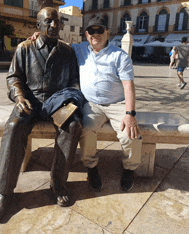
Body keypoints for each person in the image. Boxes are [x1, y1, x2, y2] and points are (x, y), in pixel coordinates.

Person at [0, 7, 84, 225]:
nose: (54, 26)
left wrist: (69, 102)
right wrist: (19, 98)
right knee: (13, 127)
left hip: (58, 102)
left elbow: (74, 82)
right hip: (30, 100)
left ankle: (57, 183)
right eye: (48, 21)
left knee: (73, 126)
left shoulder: (68, 51)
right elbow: (13, 78)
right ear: (38, 26)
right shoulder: (24, 48)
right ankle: (4, 193)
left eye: (57, 22)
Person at [30, 16, 142, 193]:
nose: (95, 34)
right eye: (91, 31)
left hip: (117, 104)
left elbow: (129, 86)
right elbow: (59, 43)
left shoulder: (120, 56)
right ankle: (91, 166)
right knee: (86, 130)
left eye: (99, 30)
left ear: (107, 32)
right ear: (86, 33)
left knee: (130, 134)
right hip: (91, 104)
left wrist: (130, 114)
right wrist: (41, 34)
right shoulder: (79, 49)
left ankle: (129, 169)